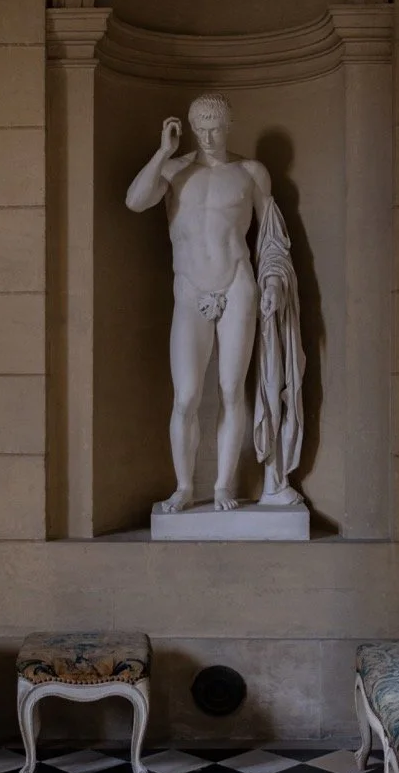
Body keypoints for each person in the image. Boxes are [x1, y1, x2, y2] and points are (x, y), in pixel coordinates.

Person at [126, 92, 304, 514]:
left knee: (230, 390)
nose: (208, 136)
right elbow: (135, 201)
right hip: (189, 289)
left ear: (229, 126)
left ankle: (223, 485)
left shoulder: (250, 172)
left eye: (216, 128)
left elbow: (271, 238)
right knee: (185, 397)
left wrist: (274, 282)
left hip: (238, 285)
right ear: (189, 128)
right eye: (200, 128)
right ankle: (185, 487)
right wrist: (163, 151)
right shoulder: (173, 171)